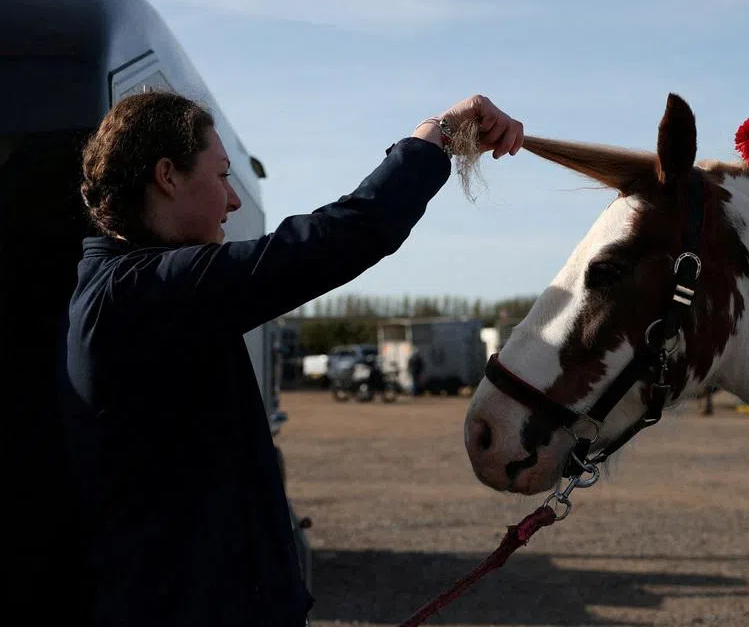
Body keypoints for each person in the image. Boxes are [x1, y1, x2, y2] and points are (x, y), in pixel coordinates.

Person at [57, 91, 524, 627]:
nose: (233, 201)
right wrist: (438, 134)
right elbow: (340, 237)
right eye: (222, 176)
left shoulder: (126, 292)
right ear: (167, 175)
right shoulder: (139, 295)